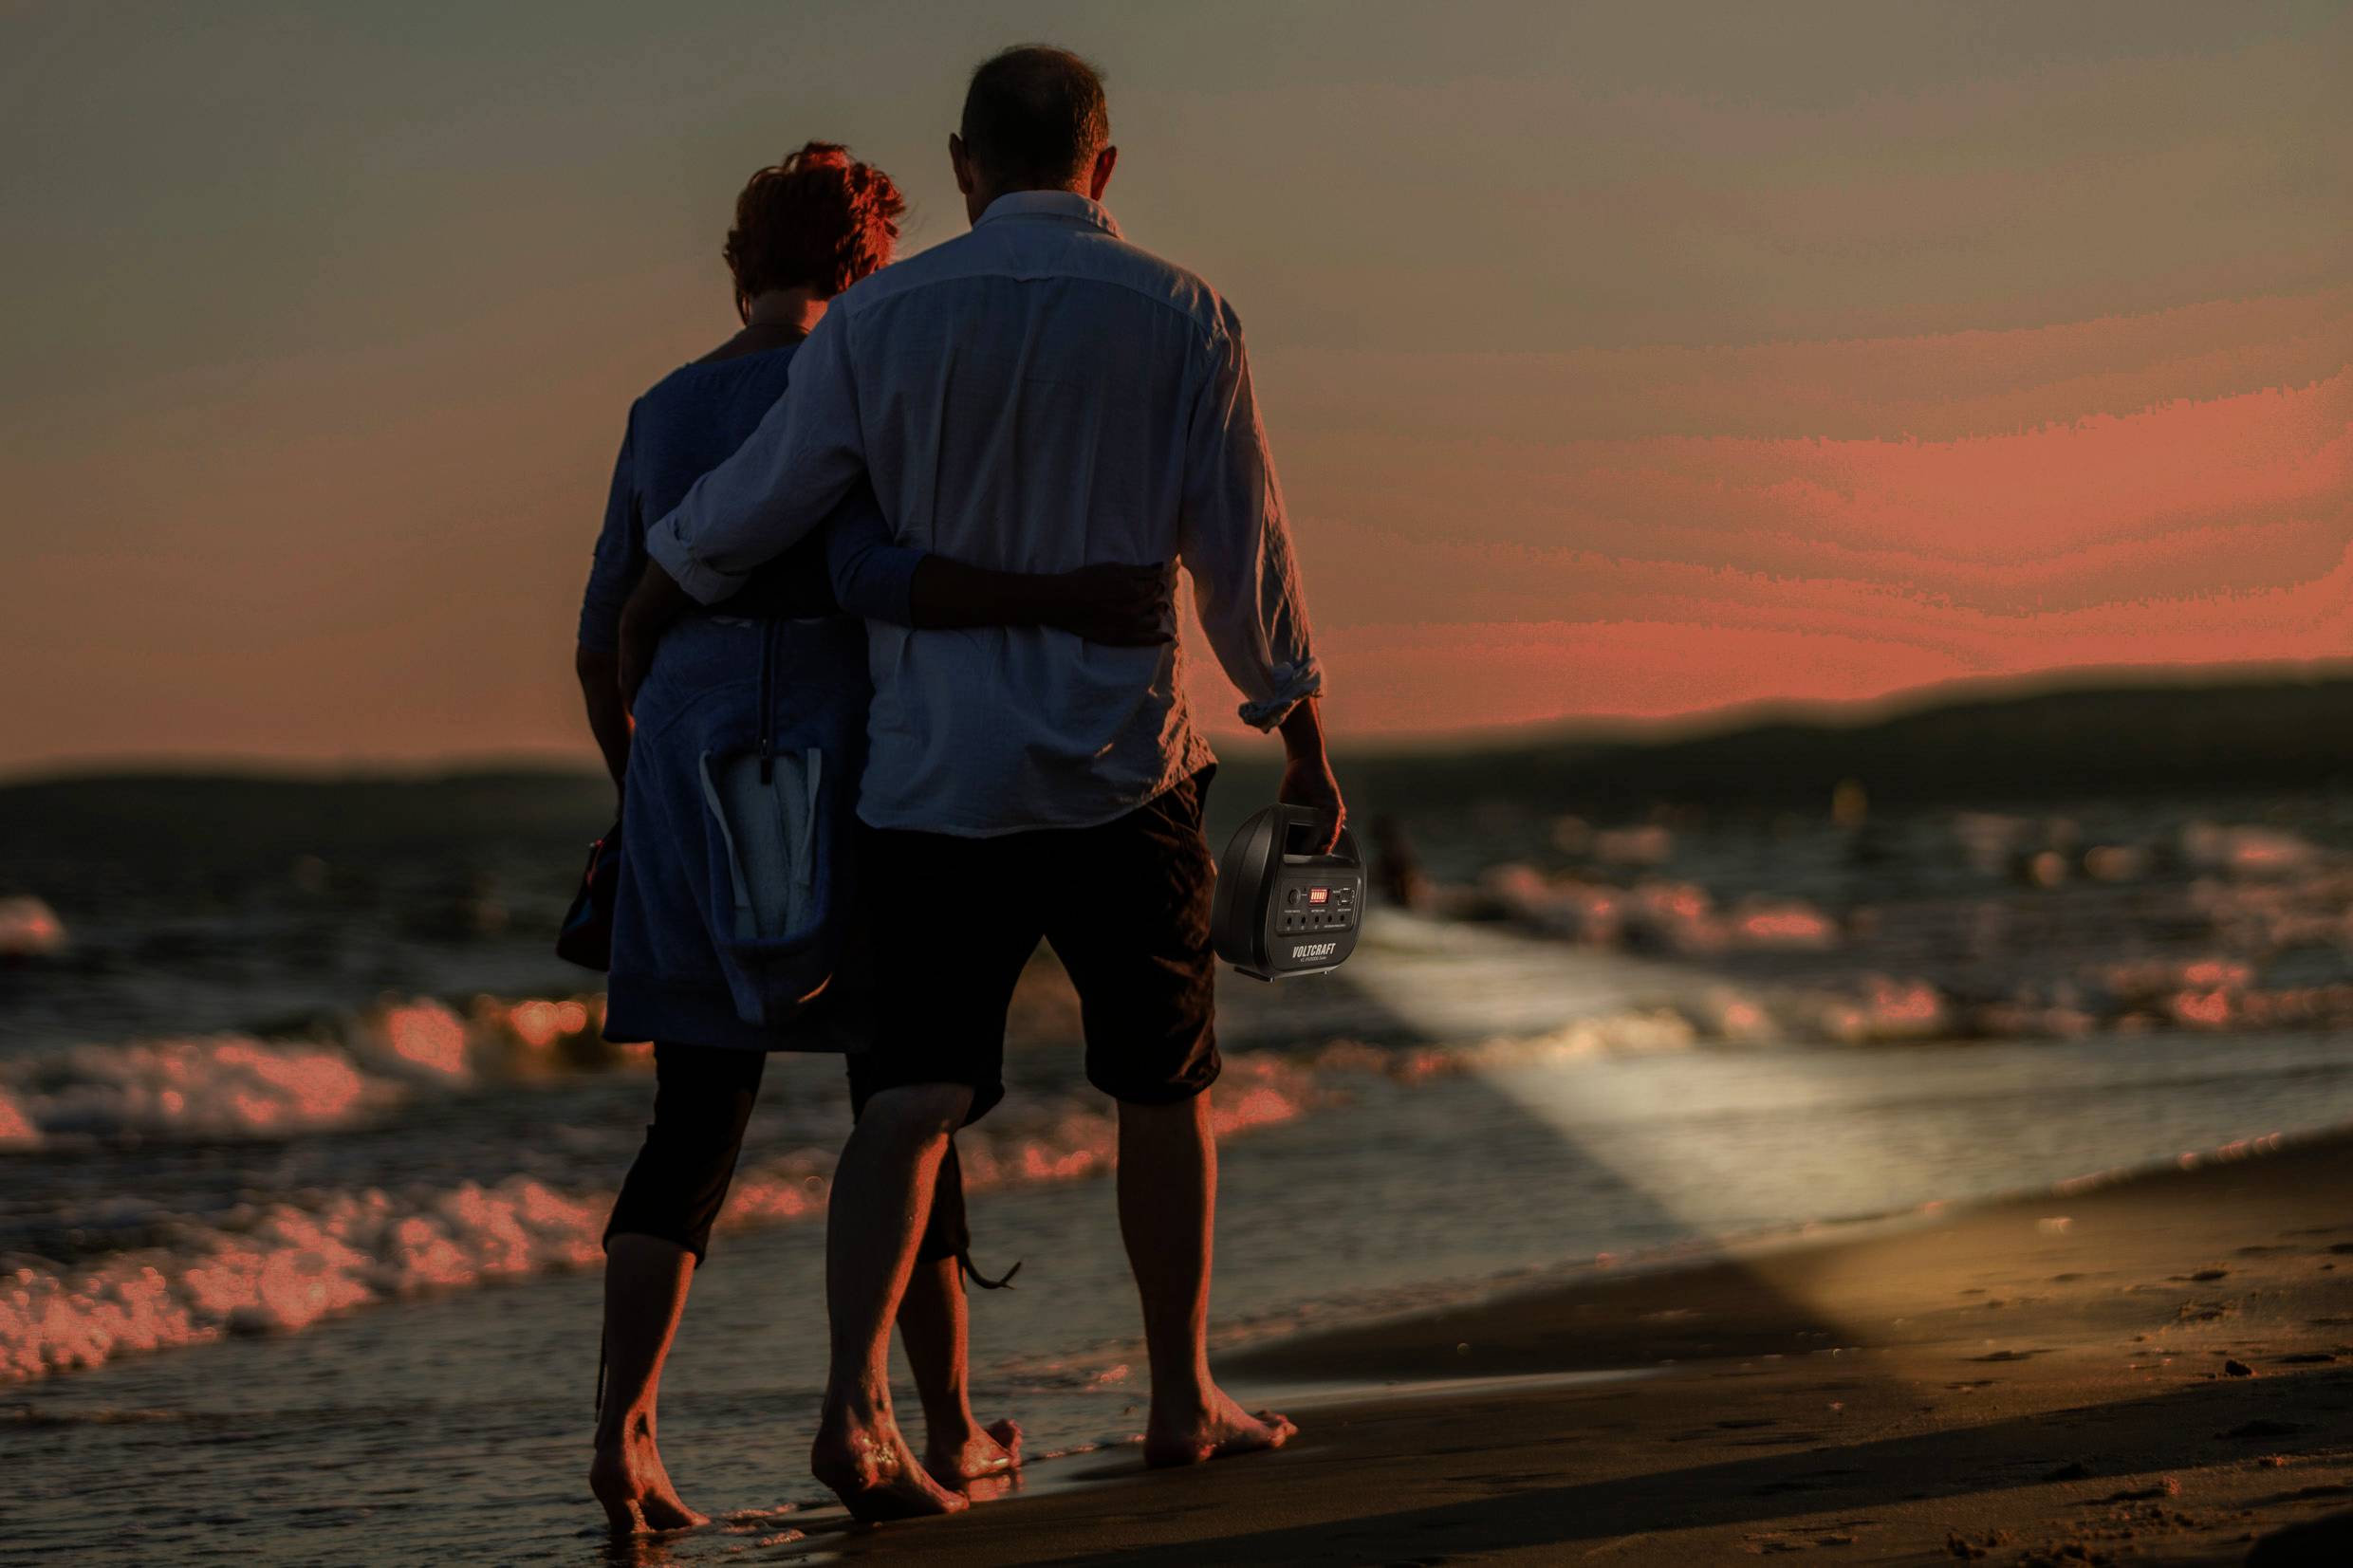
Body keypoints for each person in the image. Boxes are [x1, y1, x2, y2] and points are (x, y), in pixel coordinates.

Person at [621, 46, 1345, 1522]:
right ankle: (1175, 1395)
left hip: (932, 777)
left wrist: (660, 582)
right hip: (1120, 765)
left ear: (962, 164)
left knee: (910, 1097)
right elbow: (1241, 549)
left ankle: (851, 1411)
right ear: (1105, 165)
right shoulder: (1184, 313)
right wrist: (1301, 726)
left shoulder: (882, 318)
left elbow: (771, 494)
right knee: (1164, 1083)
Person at [574, 140, 1174, 1535]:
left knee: (695, 1115)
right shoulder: (873, 381)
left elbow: (605, 635)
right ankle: (948, 1425)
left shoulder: (662, 409)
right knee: (905, 1097)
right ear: (871, 265)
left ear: (742, 265)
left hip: (689, 760)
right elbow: (887, 574)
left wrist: (638, 792)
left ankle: (626, 1434)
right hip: (855, 756)